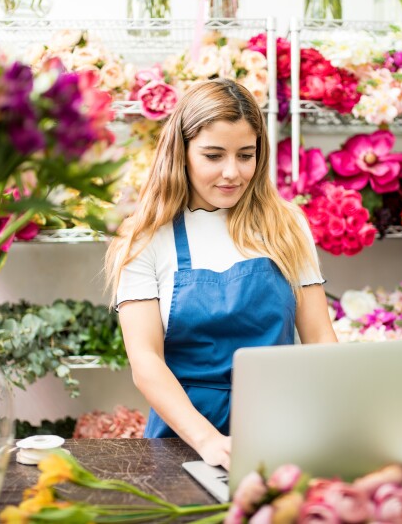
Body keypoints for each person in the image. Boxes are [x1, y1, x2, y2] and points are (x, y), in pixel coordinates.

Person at [104, 78, 337, 469]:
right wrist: (208, 441)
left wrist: (342, 414)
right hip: (185, 434)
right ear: (182, 152)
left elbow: (318, 336)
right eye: (214, 156)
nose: (232, 173)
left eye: (245, 155)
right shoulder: (146, 236)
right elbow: (145, 361)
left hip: (279, 422)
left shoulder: (287, 225)